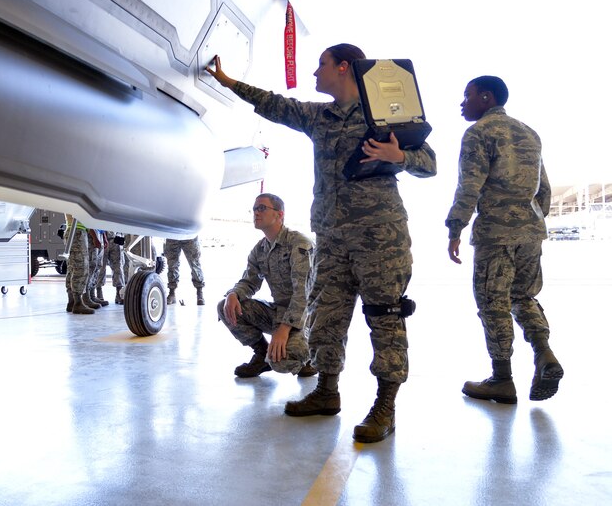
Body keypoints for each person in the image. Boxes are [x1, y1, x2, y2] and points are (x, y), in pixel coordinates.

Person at [206, 44, 436, 443]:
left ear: (344, 67)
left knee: (384, 318)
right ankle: (327, 392)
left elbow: (429, 162)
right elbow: (274, 104)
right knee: (326, 317)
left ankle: (385, 406)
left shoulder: (383, 112)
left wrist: (400, 156)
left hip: (379, 237)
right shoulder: (319, 116)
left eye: (322, 65)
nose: (315, 73)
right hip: (331, 237)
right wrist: (228, 82)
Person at [446, 75, 563, 403]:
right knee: (523, 297)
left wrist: (456, 227)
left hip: (495, 234)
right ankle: (544, 354)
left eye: (466, 96)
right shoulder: (529, 133)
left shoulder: (478, 133)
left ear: (485, 97)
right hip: (530, 231)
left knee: (493, 303)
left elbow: (469, 185)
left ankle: (502, 379)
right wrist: (531, 221)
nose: (462, 103)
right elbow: (544, 188)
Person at [218, 193, 317, 379]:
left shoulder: (299, 244)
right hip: (279, 312)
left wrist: (283, 330)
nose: (256, 212)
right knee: (226, 306)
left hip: (307, 317)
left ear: (280, 215)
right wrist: (233, 294)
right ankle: (262, 355)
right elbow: (249, 282)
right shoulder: (260, 249)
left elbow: (303, 294)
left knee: (281, 361)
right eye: (255, 209)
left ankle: (311, 356)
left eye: (262, 208)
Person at [63, 215, 97, 315]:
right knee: (81, 268)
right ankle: (78, 303)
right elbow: (83, 215)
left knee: (72, 268)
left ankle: (72, 302)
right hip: (77, 231)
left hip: (74, 230)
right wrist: (95, 236)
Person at [164, 236, 205, 305]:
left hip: (189, 235)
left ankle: (200, 293)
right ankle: (172, 293)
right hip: (172, 234)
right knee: (172, 265)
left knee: (194, 265)